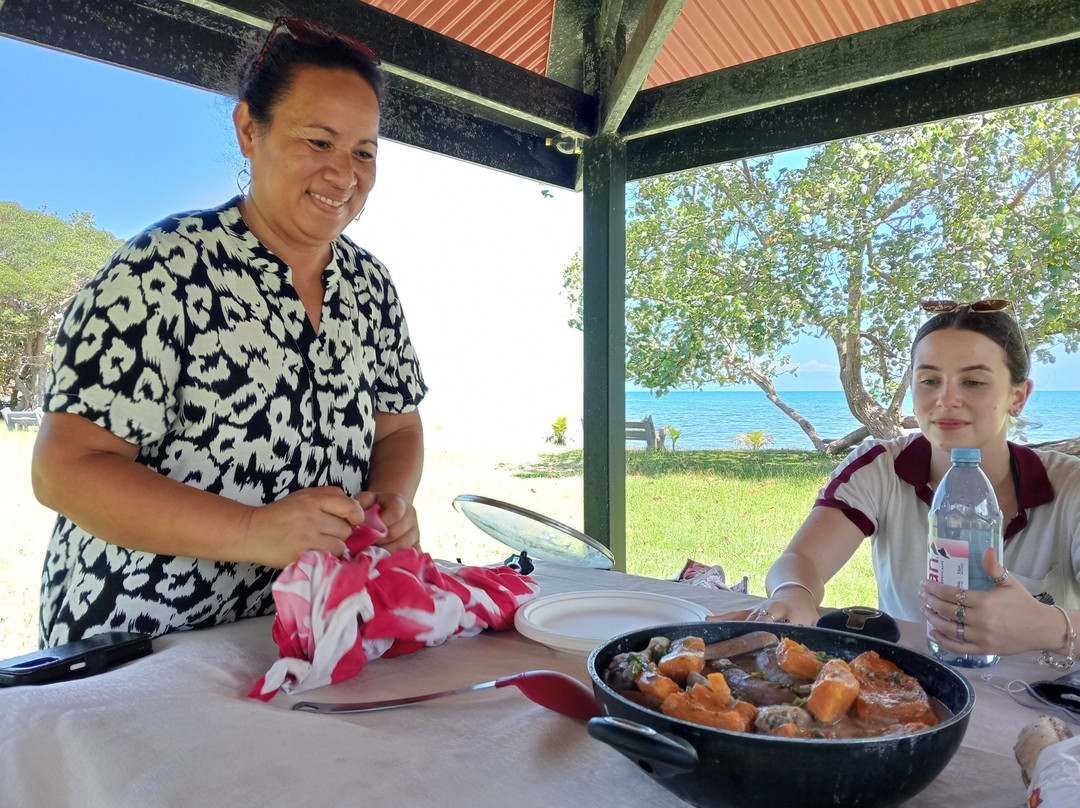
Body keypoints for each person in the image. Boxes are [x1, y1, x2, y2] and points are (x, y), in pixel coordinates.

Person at [30, 17, 427, 648]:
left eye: (363, 151)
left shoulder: (371, 287)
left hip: (302, 633)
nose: (344, 174)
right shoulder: (165, 268)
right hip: (138, 644)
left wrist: (390, 502)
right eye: (318, 141)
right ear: (249, 129)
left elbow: (399, 427)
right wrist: (253, 531)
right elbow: (64, 469)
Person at [729, 299, 1079, 665]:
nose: (946, 399)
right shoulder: (881, 467)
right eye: (929, 381)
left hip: (1046, 692)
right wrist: (793, 593)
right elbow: (803, 560)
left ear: (1018, 396)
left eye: (973, 381)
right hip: (911, 685)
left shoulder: (1070, 485)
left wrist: (1047, 627)